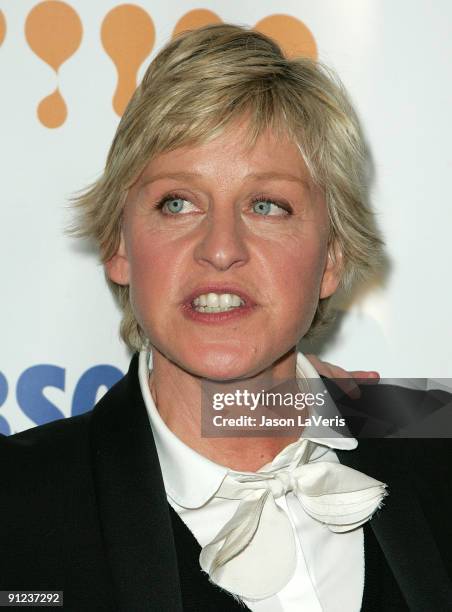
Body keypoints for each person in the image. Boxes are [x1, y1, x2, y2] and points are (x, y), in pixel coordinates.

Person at [1, 23, 451, 612]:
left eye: (267, 205)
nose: (220, 248)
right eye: (177, 203)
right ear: (119, 245)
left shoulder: (432, 434)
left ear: (331, 258)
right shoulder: (15, 504)